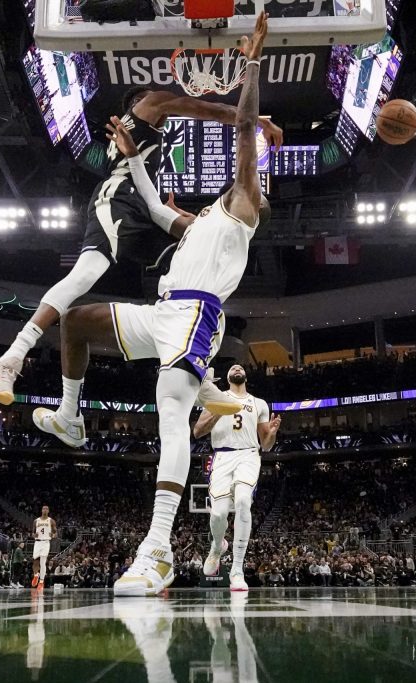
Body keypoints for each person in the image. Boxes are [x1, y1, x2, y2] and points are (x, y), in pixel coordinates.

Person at [30, 14, 273, 597]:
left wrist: (252, 67)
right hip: (163, 312)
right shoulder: (197, 222)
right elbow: (150, 202)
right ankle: (71, 418)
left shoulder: (244, 204)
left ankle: (157, 549)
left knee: (171, 414)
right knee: (77, 321)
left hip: (196, 316)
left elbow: (242, 127)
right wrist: (131, 157)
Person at [0, 67, 283, 408]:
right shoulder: (149, 103)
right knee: (86, 274)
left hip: (140, 210)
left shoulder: (138, 138)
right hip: (117, 199)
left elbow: (154, 203)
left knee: (196, 266)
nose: (165, 108)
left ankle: (198, 372)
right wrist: (254, 121)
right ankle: (10, 359)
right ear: (141, 101)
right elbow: (204, 109)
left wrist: (178, 217)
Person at [194, 364, 280, 592]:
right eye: (233, 367)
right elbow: (197, 431)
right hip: (222, 456)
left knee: (243, 502)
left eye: (240, 367)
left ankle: (237, 570)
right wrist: (217, 412)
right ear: (230, 377)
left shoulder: (258, 403)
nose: (237, 368)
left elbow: (266, 445)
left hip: (249, 455)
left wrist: (271, 434)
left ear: (245, 376)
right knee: (219, 513)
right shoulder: (216, 396)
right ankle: (217, 546)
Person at [32, 505, 57, 589]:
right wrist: (34, 535)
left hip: (46, 542)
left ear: (48, 511)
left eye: (47, 509)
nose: (45, 510)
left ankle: (41, 582)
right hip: (37, 542)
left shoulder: (51, 521)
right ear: (41, 510)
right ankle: (36, 575)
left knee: (42, 563)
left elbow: (55, 533)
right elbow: (32, 533)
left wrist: (53, 535)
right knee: (35, 561)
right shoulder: (36, 521)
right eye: (43, 508)